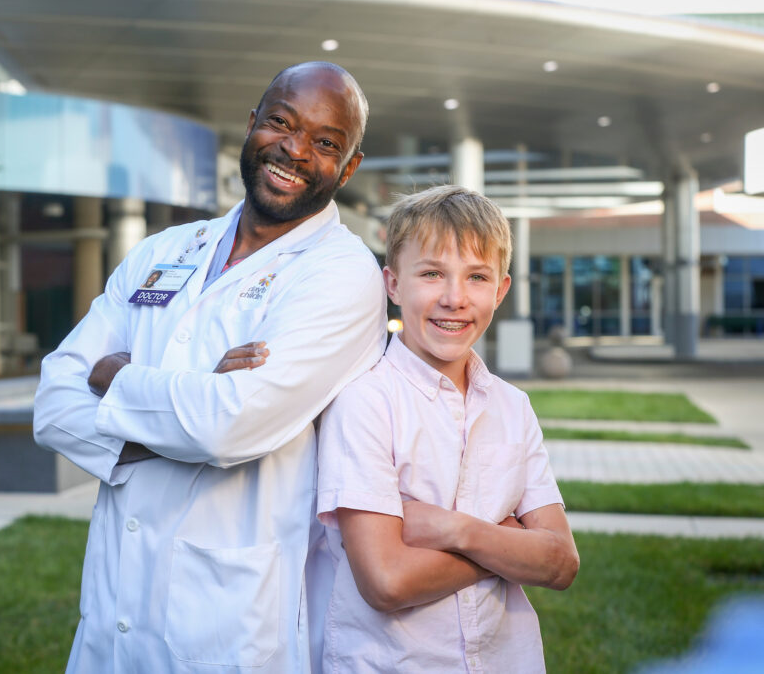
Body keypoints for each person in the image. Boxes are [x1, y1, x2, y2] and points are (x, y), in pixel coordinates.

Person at [33, 61, 387, 672]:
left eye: (325, 143)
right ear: (252, 125)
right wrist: (193, 400)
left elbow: (229, 428)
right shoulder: (165, 250)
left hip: (230, 624)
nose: (295, 150)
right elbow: (54, 404)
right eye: (281, 122)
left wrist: (115, 379)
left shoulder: (342, 274)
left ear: (348, 168)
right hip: (112, 613)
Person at [316, 185, 580, 673]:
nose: (455, 298)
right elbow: (387, 582)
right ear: (393, 284)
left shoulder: (512, 406)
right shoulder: (365, 402)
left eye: (477, 277)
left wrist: (454, 528)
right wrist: (506, 544)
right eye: (432, 273)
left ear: (500, 291)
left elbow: (561, 563)